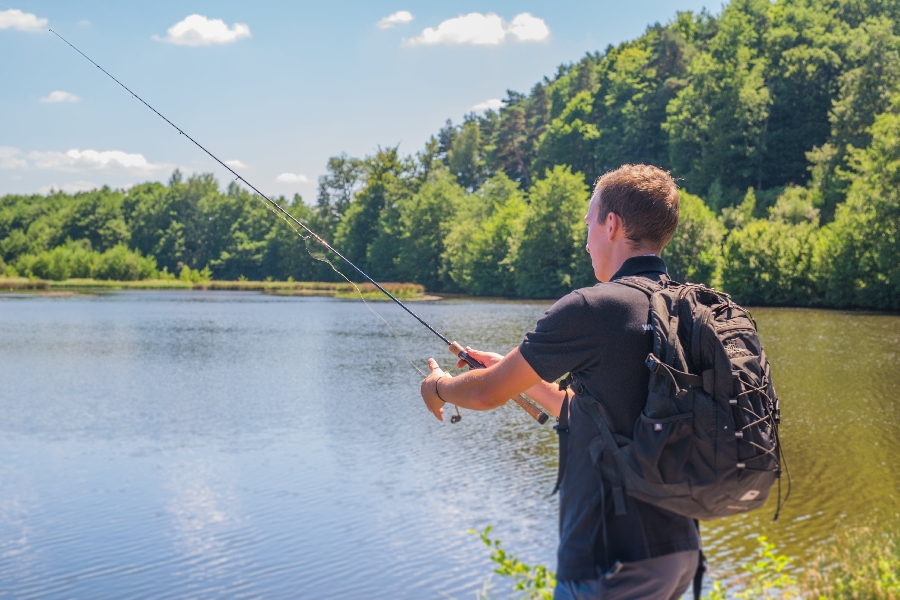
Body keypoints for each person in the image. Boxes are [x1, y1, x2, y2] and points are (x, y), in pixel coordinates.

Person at [420, 164, 701, 600]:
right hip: (677, 549)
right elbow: (605, 413)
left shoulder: (592, 307)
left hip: (610, 558)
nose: (586, 239)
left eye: (589, 223)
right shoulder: (685, 307)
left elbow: (482, 392)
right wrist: (514, 373)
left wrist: (436, 387)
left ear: (612, 224)